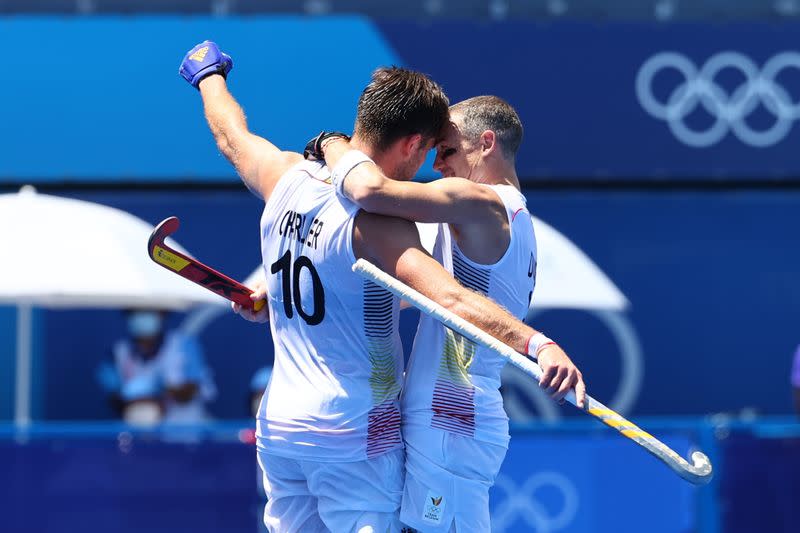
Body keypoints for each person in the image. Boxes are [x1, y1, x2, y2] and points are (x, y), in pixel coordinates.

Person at [179, 40, 584, 532]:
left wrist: (209, 75)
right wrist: (537, 342)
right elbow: (445, 296)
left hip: (282, 428)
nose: (436, 166)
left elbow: (232, 136)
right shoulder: (384, 226)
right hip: (356, 434)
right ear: (412, 143)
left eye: (448, 151)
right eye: (432, 150)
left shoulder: (285, 176)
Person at [319, 95, 578, 532]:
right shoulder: (497, 216)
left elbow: (369, 191)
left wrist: (330, 144)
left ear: (487, 144)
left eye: (448, 150)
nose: (437, 165)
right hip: (451, 420)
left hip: (451, 418)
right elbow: (415, 293)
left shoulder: (479, 200)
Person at [97, 308, 216, 425]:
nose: (142, 317)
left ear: (162, 314)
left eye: (148, 311)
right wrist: (142, 400)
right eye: (136, 312)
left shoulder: (183, 345)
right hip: (139, 436)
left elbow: (191, 390)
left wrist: (164, 394)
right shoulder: (118, 352)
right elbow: (115, 398)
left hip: (185, 433)